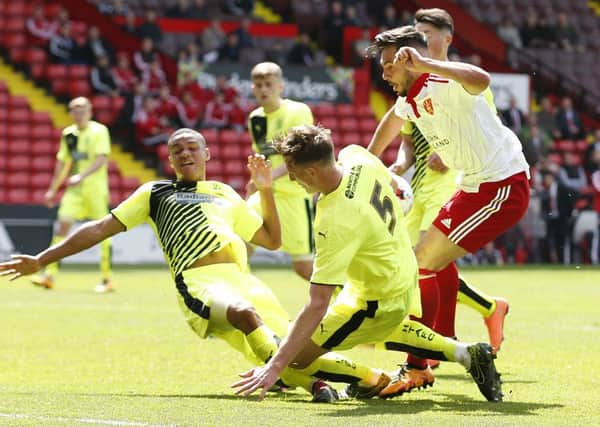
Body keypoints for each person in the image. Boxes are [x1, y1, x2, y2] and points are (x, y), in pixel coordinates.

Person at [0, 128, 341, 402]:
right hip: (202, 285)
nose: (186, 154)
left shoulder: (223, 192)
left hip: (242, 279)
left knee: (291, 345)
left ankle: (371, 380)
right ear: (170, 159)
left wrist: (266, 191)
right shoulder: (155, 193)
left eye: (193, 148)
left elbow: (271, 240)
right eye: (178, 150)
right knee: (247, 316)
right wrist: (42, 259)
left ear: (207, 154)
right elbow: (100, 228)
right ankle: (315, 386)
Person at [231, 125, 503, 402]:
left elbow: (317, 303)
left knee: (296, 359)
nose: (290, 177)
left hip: (377, 300)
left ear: (311, 171)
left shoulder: (334, 220)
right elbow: (396, 184)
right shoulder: (355, 157)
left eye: (292, 170)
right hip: (401, 271)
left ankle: (371, 380)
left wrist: (275, 367)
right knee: (382, 329)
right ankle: (468, 354)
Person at [365, 24, 530, 395]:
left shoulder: (441, 83)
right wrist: (366, 163)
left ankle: (420, 362)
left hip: (500, 185)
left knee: (420, 262)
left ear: (410, 59)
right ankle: (440, 341)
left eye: (390, 64)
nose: (384, 71)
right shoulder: (410, 98)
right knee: (428, 264)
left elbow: (482, 78)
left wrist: (427, 62)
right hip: (472, 185)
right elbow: (392, 121)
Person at [32, 97, 113, 292]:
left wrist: (81, 176)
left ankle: (106, 278)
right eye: (75, 110)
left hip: (95, 190)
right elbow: (62, 163)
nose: (79, 113)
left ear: (90, 111)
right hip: (74, 192)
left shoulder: (99, 131)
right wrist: (53, 189)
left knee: (103, 232)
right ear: (70, 113)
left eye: (83, 109)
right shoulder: (68, 134)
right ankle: (49, 275)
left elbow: (101, 159)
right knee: (62, 228)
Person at [246, 62, 315, 280]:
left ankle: (350, 299)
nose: (264, 89)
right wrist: (254, 184)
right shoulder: (255, 119)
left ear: (281, 87)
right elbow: (262, 156)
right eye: (259, 85)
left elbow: (300, 156)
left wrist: (267, 177)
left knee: (303, 268)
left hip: (295, 196)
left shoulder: (298, 112)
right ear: (252, 89)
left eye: (268, 84)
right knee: (240, 241)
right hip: (267, 195)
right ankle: (238, 294)